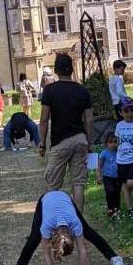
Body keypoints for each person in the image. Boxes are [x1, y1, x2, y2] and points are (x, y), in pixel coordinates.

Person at [12, 191, 126, 265]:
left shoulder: (74, 223)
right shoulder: (47, 226)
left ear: (72, 236)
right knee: (34, 237)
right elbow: (46, 255)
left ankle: (115, 258)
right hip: (45, 199)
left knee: (88, 231)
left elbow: (83, 251)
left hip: (64, 197)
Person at [39, 53, 94, 210]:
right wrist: (90, 144)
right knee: (78, 183)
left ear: (56, 70)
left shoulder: (50, 90)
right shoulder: (82, 90)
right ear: (71, 69)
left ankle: (55, 222)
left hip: (60, 142)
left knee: (52, 185)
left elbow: (44, 120)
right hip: (80, 139)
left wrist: (42, 144)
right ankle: (79, 221)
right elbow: (89, 120)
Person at [97, 135, 122, 218]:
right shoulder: (104, 153)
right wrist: (99, 176)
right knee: (109, 191)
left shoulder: (120, 152)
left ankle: (117, 209)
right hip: (107, 177)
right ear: (106, 143)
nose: (113, 144)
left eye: (115, 141)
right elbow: (99, 166)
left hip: (118, 177)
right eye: (110, 142)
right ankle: (110, 208)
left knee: (117, 193)